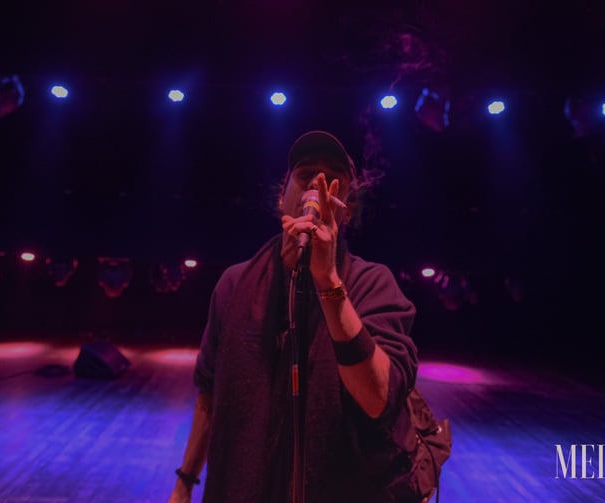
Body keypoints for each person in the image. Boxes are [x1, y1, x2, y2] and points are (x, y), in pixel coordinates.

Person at [168, 130, 419, 503]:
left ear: (347, 209)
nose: (316, 187)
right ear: (281, 197)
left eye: (332, 180)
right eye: (305, 175)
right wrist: (184, 483)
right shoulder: (234, 285)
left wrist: (328, 281)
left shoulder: (373, 284)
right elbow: (210, 394)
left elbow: (379, 398)